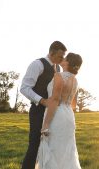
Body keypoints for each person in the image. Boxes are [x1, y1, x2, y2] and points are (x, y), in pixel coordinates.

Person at [20, 41, 67, 169]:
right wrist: (42, 100)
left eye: (64, 56)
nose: (63, 59)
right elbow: (24, 88)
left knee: (51, 145)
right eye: (60, 56)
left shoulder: (58, 68)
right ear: (51, 53)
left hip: (53, 113)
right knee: (34, 145)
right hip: (38, 111)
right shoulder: (37, 64)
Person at [35, 53, 83, 169]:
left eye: (65, 58)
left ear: (67, 63)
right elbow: (73, 105)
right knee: (66, 151)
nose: (63, 58)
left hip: (57, 114)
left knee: (53, 148)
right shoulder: (75, 80)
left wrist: (45, 124)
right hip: (69, 115)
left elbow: (55, 100)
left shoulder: (58, 76)